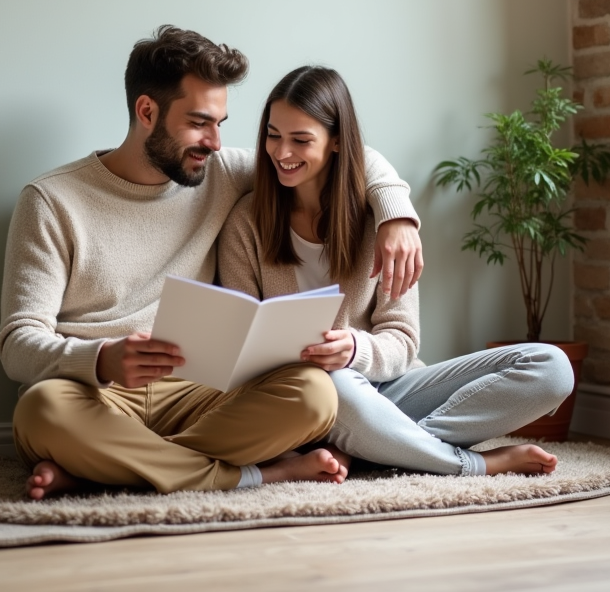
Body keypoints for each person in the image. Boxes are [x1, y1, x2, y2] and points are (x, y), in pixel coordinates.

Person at [0, 27, 424, 499]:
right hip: (94, 394)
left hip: (202, 393)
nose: (216, 141)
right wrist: (101, 359)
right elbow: (17, 345)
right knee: (40, 411)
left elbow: (337, 152)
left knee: (315, 395)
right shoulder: (52, 200)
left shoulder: (215, 172)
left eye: (220, 123)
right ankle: (253, 475)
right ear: (147, 112)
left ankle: (102, 469)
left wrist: (396, 215)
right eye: (201, 122)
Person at [218, 66, 575, 478]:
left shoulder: (379, 222)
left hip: (388, 389)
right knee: (334, 386)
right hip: (305, 401)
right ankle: (471, 464)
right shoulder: (246, 225)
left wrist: (354, 350)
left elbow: (403, 340)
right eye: (273, 135)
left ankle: (375, 448)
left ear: (336, 142)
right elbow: (242, 352)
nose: (282, 152)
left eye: (301, 140)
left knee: (551, 368)